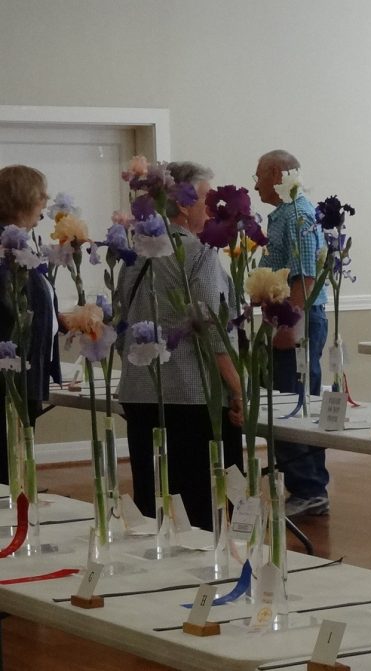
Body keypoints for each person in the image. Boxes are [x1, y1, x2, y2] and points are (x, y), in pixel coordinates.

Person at [117, 161, 244, 532]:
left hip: (141, 394)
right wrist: (238, 389)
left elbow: (123, 323)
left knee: (154, 507)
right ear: (186, 204)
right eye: (207, 198)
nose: (214, 208)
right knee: (202, 513)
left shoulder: (136, 253)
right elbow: (212, 329)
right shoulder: (199, 253)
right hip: (192, 399)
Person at [254, 150, 330, 517]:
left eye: (258, 175)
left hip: (298, 318)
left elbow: (306, 275)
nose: (255, 184)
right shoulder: (285, 214)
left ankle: (310, 489)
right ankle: (304, 486)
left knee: (293, 403)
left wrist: (291, 325)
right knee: (286, 401)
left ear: (275, 173)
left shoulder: (298, 215)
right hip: (286, 316)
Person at [0, 165, 61, 485]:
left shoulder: (23, 243)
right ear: (23, 198)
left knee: (17, 458)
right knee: (8, 460)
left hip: (25, 372)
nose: (45, 202)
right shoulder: (7, 245)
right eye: (41, 195)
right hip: (9, 374)